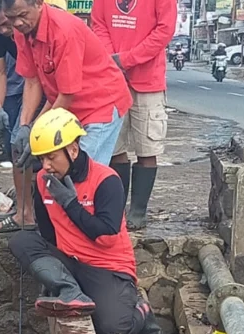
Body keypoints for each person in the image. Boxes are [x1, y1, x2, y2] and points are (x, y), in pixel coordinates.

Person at [7, 108, 161, 334]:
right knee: (21, 240)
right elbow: (47, 234)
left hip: (107, 266)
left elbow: (107, 236)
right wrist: (54, 272)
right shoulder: (43, 181)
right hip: (71, 259)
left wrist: (70, 204)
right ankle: (69, 291)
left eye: (51, 157)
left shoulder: (106, 180)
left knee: (113, 330)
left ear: (73, 150)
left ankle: (142, 310)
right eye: (41, 159)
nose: (45, 166)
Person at [0, 0, 133, 167]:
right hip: (68, 106)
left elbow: (67, 94)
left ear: (39, 3)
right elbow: (32, 81)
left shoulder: (64, 30)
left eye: (23, 15)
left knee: (82, 171)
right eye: (11, 18)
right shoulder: (21, 31)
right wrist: (24, 125)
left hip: (100, 104)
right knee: (60, 167)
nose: (17, 23)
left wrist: (37, 130)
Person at [92, 0, 175, 231]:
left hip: (148, 82)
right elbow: (99, 25)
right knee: (114, 148)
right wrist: (112, 58)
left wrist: (127, 59)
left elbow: (164, 31)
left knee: (147, 149)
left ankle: (138, 210)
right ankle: (116, 208)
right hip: (112, 79)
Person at [0, 0, 33, 231]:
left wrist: (26, 121)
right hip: (22, 82)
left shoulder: (28, 25)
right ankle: (23, 212)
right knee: (16, 149)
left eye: (4, 23)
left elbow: (36, 77)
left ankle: (38, 211)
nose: (2, 30)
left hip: (43, 82)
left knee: (34, 148)